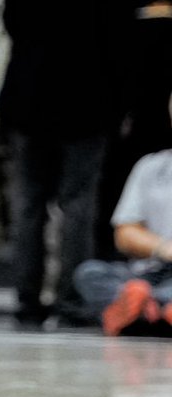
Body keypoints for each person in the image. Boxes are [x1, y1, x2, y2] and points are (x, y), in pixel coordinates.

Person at [0, 0, 135, 328]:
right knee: (77, 200)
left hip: (30, 90)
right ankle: (72, 299)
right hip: (87, 94)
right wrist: (122, 100)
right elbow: (119, 37)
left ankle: (26, 297)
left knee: (28, 200)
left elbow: (12, 20)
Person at [72, 137, 172, 336]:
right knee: (89, 272)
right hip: (149, 271)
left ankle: (143, 310)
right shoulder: (151, 166)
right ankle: (152, 307)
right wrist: (163, 248)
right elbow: (124, 233)